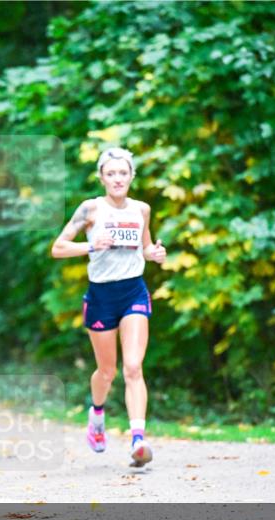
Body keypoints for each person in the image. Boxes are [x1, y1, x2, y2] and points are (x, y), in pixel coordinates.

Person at [50, 147, 167, 467]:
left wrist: (155, 254)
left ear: (132, 176)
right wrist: (90, 245)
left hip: (133, 292)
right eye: (111, 173)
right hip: (101, 297)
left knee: (133, 367)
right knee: (107, 371)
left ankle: (138, 440)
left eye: (123, 173)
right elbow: (58, 248)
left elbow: (145, 248)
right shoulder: (90, 209)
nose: (118, 179)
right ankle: (97, 414)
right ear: (101, 177)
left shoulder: (142, 209)